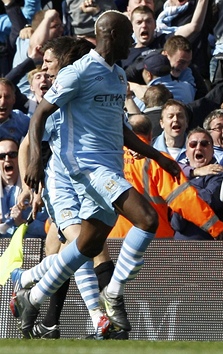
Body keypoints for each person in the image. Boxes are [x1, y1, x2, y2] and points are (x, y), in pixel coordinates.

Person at [16, 11, 182, 339]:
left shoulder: (118, 75)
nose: (131, 42)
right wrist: (34, 162)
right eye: (125, 36)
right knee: (146, 219)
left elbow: (119, 129)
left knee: (86, 245)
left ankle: (31, 295)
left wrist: (157, 156)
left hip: (110, 165)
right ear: (108, 35)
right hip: (85, 167)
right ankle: (112, 294)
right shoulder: (77, 73)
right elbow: (39, 115)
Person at [110, 116, 223, 239]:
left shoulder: (111, 159)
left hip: (113, 235)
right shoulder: (159, 161)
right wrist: (215, 227)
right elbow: (183, 198)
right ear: (150, 135)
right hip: (152, 238)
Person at [172, 127, 223, 239]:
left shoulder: (218, 173)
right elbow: (176, 223)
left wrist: (182, 192)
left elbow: (209, 199)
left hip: (206, 246)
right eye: (193, 144)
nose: (199, 147)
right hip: (179, 246)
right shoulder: (180, 176)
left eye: (204, 144)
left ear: (212, 150)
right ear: (186, 152)